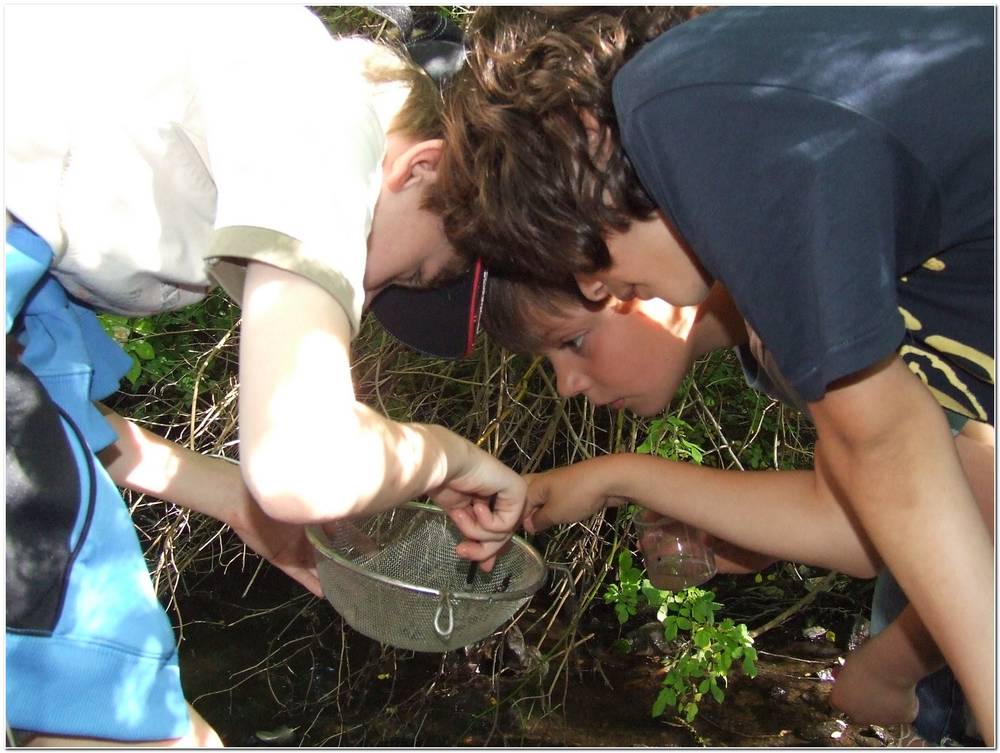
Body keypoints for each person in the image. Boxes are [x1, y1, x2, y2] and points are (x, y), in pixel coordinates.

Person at [432, 6, 995, 744]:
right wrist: (614, 477)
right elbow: (872, 512)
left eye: (583, 276)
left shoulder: (688, 113)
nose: (601, 289)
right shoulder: (792, 260)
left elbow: (892, 453)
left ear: (583, 135)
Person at [6, 5, 523, 745]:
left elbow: (46, 417)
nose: (367, 299)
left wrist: (236, 501)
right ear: (423, 165)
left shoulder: (152, 179)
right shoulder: (326, 110)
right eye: (411, 271)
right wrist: (449, 451)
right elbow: (300, 466)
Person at [474, 272, 993, 744]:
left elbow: (976, 510)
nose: (567, 384)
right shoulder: (767, 338)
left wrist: (891, 668)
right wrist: (757, 536)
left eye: (573, 342)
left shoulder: (794, 305)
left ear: (629, 282)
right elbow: (876, 511)